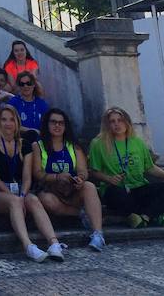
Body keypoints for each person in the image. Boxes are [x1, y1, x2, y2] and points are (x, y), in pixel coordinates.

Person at [0, 106, 64, 263]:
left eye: (11, 119)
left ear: (17, 122)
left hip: (19, 188)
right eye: (4, 119)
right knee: (14, 201)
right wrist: (15, 197)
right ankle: (28, 245)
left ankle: (54, 243)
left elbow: (27, 177)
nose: (8, 123)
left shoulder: (24, 145)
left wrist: (22, 195)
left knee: (33, 199)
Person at [88, 106, 164, 228]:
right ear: (107, 125)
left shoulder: (137, 142)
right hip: (116, 188)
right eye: (112, 121)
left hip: (139, 186)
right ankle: (153, 214)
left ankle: (144, 217)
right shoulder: (98, 144)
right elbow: (94, 171)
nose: (117, 124)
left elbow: (149, 167)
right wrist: (109, 179)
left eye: (120, 120)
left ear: (127, 122)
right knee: (117, 195)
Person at [32, 108, 106, 251]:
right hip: (51, 190)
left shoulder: (74, 146)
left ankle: (98, 234)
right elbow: (37, 173)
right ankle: (81, 214)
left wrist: (80, 179)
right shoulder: (38, 146)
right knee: (46, 200)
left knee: (89, 186)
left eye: (61, 123)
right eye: (53, 122)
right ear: (47, 124)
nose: (57, 126)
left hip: (72, 189)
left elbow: (83, 170)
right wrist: (57, 176)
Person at [7, 71, 49, 140]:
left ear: (33, 85)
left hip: (40, 141)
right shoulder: (13, 102)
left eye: (28, 83)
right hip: (19, 140)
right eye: (22, 84)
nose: (25, 86)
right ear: (19, 86)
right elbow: (9, 124)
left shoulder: (41, 104)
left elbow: (47, 124)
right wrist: (31, 131)